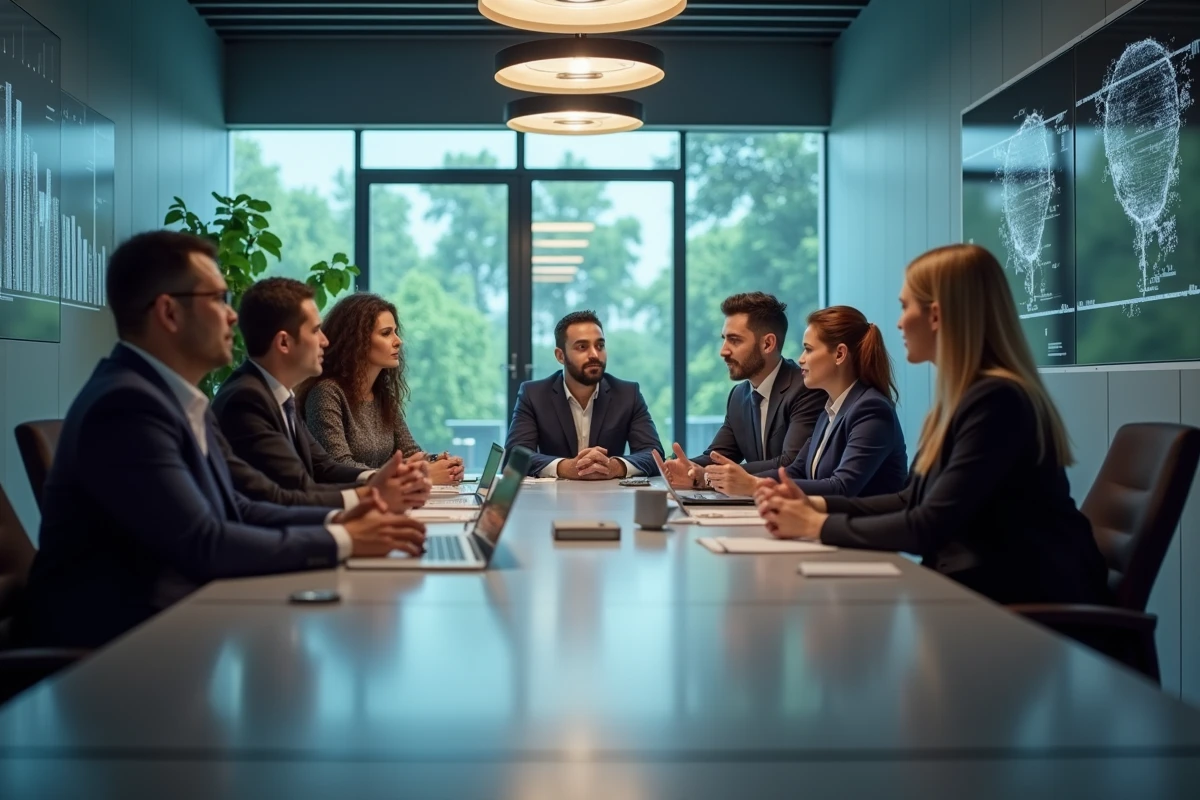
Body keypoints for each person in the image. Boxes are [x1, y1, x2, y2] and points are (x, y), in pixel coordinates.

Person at [16, 231, 427, 649]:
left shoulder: (177, 399)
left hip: (176, 626)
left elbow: (240, 506)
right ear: (169, 313)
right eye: (218, 299)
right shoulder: (126, 406)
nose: (233, 317)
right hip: (113, 653)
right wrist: (344, 538)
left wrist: (344, 521)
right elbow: (205, 541)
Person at [757, 244, 1110, 605]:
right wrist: (816, 507)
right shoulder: (964, 398)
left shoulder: (997, 401)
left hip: (1020, 606)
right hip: (975, 593)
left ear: (937, 316)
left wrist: (816, 526)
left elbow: (927, 525)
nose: (898, 322)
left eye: (905, 306)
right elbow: (909, 499)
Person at [214, 277, 430, 511]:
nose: (325, 341)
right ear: (284, 343)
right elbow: (296, 489)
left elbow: (324, 468)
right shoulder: (247, 400)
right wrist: (376, 492)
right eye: (316, 330)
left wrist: (378, 479)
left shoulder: (277, 395)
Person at [695, 305, 908, 499]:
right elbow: (796, 470)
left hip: (869, 538)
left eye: (808, 349)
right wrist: (732, 479)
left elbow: (842, 487)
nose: (800, 358)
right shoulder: (830, 412)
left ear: (840, 354)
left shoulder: (871, 409)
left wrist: (754, 485)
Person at [657, 292, 825, 491]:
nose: (723, 351)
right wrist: (686, 467)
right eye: (724, 339)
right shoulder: (739, 395)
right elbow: (717, 456)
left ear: (768, 344)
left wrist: (710, 476)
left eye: (734, 340)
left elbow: (791, 462)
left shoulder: (805, 388)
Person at [299, 292, 463, 484]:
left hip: (381, 500)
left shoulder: (382, 394)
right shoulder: (326, 392)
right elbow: (339, 466)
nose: (398, 341)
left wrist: (439, 463)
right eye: (386, 333)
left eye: (395, 331)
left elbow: (409, 453)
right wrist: (418, 474)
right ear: (356, 340)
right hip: (346, 505)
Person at [504, 310, 663, 478]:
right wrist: (567, 467)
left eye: (600, 346)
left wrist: (614, 467)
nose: (594, 354)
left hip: (610, 498)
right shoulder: (533, 395)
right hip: (553, 499)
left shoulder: (628, 394)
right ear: (560, 356)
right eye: (582, 347)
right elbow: (514, 457)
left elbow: (653, 455)